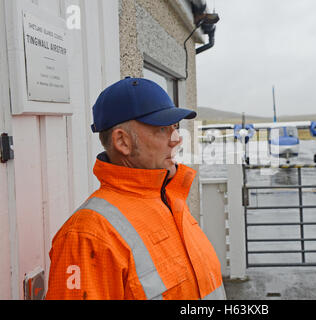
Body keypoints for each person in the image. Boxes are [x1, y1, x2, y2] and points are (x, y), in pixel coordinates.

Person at [45, 77, 226, 300]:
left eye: (175, 127)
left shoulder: (169, 201)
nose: (177, 139)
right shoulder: (87, 236)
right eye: (162, 128)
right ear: (123, 142)